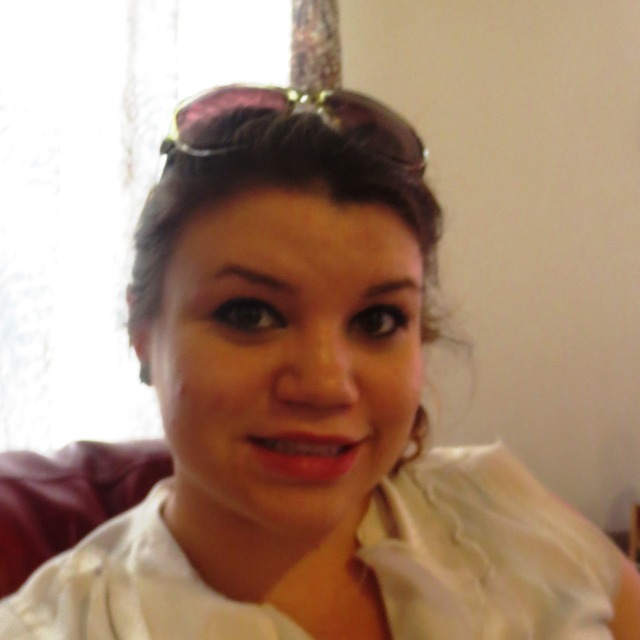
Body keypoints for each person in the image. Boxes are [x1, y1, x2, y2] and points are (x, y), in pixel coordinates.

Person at [0, 84, 638, 639]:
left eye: (377, 320)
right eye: (249, 314)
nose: (326, 384)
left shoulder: (500, 506)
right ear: (143, 333)